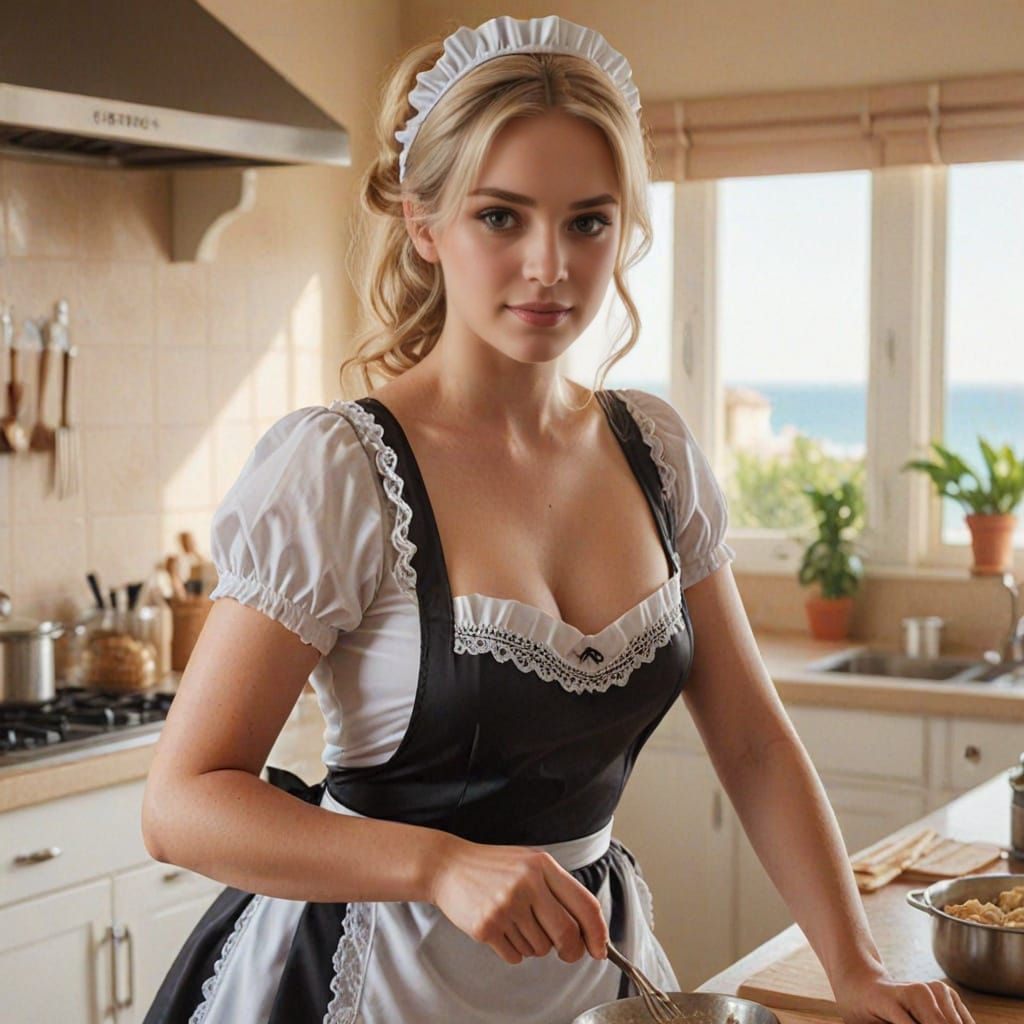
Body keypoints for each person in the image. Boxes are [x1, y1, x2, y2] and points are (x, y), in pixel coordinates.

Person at [140, 13, 976, 1024]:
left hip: (592, 976)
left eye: (588, 221)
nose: (551, 267)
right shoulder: (340, 471)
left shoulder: (654, 454)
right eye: (501, 217)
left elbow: (752, 741)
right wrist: (437, 864)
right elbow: (180, 801)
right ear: (423, 222)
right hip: (367, 987)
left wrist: (850, 963)